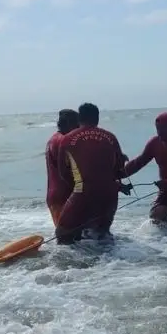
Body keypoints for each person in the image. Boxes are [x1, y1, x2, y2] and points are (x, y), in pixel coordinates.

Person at [55, 102, 131, 244]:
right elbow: (119, 170)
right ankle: (114, 264)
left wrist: (78, 189)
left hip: (83, 191)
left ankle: (80, 265)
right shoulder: (110, 137)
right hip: (109, 194)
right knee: (102, 235)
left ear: (80, 119)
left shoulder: (67, 139)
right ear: (97, 118)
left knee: (63, 236)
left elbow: (63, 172)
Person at [45, 108, 80, 226]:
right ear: (70, 124)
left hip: (54, 196)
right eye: (77, 124)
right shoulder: (64, 141)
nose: (80, 129)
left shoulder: (53, 139)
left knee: (67, 238)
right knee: (72, 237)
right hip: (65, 196)